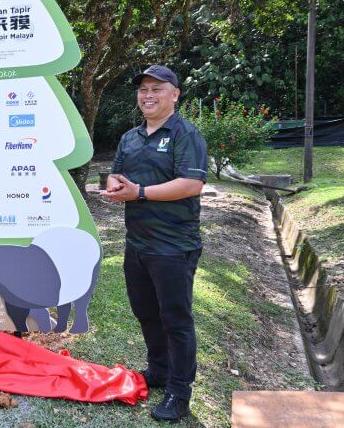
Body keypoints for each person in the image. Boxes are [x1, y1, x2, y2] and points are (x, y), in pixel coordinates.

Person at [101, 65, 207, 422]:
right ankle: (159, 370)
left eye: (156, 89)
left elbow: (191, 184)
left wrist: (140, 193)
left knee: (176, 319)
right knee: (145, 311)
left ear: (174, 94)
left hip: (174, 246)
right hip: (138, 243)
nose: (148, 95)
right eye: (143, 89)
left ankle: (180, 391)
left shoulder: (185, 134)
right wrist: (116, 185)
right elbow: (116, 173)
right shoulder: (130, 137)